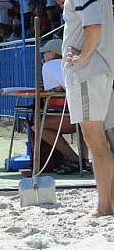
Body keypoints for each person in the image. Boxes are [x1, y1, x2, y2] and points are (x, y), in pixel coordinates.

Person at [41, 0, 114, 214]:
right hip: (101, 68)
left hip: (89, 70)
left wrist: (81, 57)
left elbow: (93, 25)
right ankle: (107, 204)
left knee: (94, 139)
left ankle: (104, 206)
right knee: (100, 139)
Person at [34, 38, 85, 173]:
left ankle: (75, 159)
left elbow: (56, 89)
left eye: (45, 53)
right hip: (89, 110)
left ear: (52, 53)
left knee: (38, 127)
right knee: (83, 126)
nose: (43, 56)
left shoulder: (49, 66)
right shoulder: (71, 63)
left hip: (74, 116)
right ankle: (83, 160)